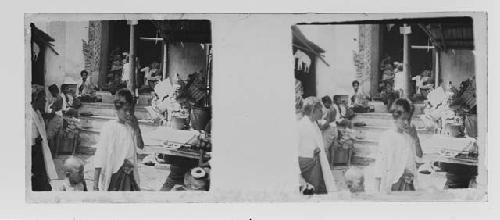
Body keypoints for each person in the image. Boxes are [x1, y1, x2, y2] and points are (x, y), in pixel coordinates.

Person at [93, 89, 144, 191]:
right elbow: (100, 156)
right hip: (114, 176)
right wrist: (95, 185)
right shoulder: (109, 127)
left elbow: (140, 147)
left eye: (130, 110)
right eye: (125, 110)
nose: (128, 113)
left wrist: (137, 129)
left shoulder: (131, 127)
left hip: (129, 176)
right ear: (117, 109)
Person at [373, 98, 423, 193]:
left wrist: (416, 139)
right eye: (403, 119)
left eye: (408, 119)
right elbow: (379, 165)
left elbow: (419, 158)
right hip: (391, 184)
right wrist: (376, 191)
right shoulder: (387, 136)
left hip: (408, 185)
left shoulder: (410, 136)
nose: (406, 122)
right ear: (395, 118)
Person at [297, 97, 337, 194]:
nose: (322, 111)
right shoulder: (300, 126)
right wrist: (299, 176)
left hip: (318, 165)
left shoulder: (314, 124)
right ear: (312, 111)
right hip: (307, 168)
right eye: (320, 109)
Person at [30, 85, 58, 191]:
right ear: (35, 99)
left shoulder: (37, 112)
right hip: (33, 149)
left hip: (38, 147)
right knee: (38, 174)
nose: (45, 100)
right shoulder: (29, 113)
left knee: (43, 173)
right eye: (43, 99)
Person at [46, 84, 65, 155]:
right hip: (59, 116)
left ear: (53, 91)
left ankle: (51, 154)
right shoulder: (59, 97)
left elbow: (53, 112)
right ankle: (55, 154)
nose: (50, 94)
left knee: (50, 136)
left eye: (50, 92)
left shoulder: (57, 99)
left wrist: (47, 115)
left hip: (55, 117)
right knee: (57, 137)